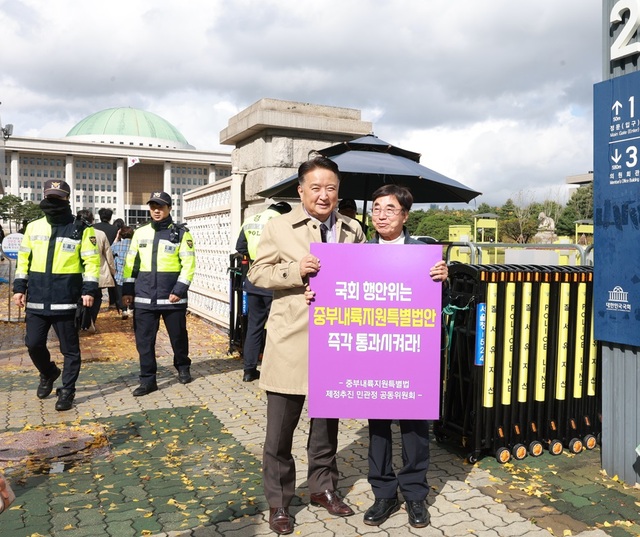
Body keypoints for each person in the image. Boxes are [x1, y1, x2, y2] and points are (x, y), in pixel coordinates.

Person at [248, 156, 365, 535]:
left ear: (338, 191)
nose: (323, 194)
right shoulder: (279, 227)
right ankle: (279, 503)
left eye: (330, 187)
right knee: (279, 432)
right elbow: (257, 273)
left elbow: (370, 276)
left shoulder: (353, 230)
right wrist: (294, 272)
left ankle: (323, 488)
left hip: (336, 343)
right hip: (291, 340)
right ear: (301, 191)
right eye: (315, 187)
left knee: (327, 427)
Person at [363, 184, 448, 528]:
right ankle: (383, 493)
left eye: (390, 209)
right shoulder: (359, 253)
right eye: (376, 208)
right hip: (373, 352)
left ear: (405, 215)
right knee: (378, 427)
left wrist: (444, 279)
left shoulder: (424, 253)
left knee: (414, 427)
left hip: (412, 353)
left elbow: (441, 302)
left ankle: (415, 495)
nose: (381, 215)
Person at [12, 179, 100, 411]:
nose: (53, 201)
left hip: (67, 299)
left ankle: (67, 391)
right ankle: (49, 372)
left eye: (58, 197)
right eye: (49, 196)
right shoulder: (33, 227)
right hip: (38, 298)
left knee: (70, 350)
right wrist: (19, 288)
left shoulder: (81, 228)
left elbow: (91, 262)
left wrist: (89, 291)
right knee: (33, 344)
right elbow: (24, 260)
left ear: (67, 199)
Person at [122, 191, 196, 396]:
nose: (156, 210)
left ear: (169, 209)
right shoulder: (140, 232)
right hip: (144, 297)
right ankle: (148, 380)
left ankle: (182, 366)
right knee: (144, 341)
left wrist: (179, 290)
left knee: (178, 336)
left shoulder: (181, 233)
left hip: (173, 297)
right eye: (153, 206)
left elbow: (189, 264)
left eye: (161, 207)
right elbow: (131, 264)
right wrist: (127, 289)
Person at [235, 201, 292, 382]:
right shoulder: (281, 222)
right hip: (273, 280)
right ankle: (277, 371)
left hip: (253, 279)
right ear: (283, 212)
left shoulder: (250, 220)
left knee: (254, 326)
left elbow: (240, 247)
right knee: (279, 327)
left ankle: (249, 370)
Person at [77, 209, 115, 330]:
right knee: (96, 297)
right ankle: (90, 320)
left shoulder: (72, 232)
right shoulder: (100, 234)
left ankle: (79, 321)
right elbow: (108, 254)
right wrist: (112, 271)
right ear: (92, 220)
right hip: (95, 273)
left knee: (78, 298)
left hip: (77, 273)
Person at [94, 208, 118, 309]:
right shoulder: (114, 229)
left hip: (97, 257)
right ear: (110, 217)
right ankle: (112, 302)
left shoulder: (94, 228)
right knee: (112, 281)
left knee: (96, 282)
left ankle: (96, 302)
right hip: (111, 256)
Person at [111, 225, 134, 318]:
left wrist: (116, 238)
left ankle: (124, 310)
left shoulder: (117, 245)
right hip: (132, 274)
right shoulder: (134, 244)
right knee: (133, 292)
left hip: (120, 274)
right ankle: (131, 308)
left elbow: (110, 251)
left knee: (120, 293)